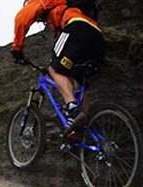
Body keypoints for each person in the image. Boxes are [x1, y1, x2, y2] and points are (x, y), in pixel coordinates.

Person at [11, 0, 105, 134]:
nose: (41, 22)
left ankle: (72, 107)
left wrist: (17, 49)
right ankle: (81, 123)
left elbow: (22, 18)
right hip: (97, 36)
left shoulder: (42, 2)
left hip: (77, 27)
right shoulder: (67, 7)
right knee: (82, 79)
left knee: (55, 69)